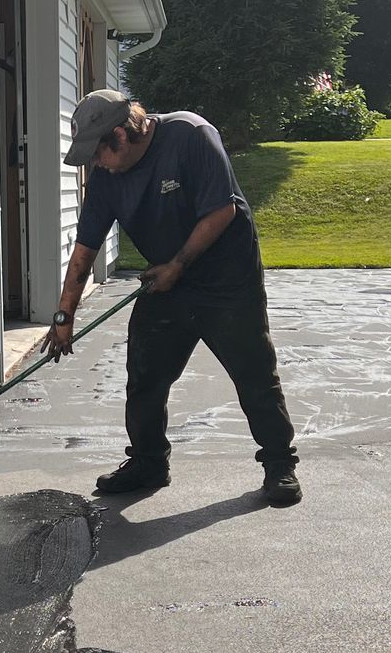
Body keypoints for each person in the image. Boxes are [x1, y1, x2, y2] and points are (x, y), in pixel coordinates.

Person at [42, 89, 300, 507]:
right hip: (166, 282)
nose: (95, 164)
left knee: (253, 374)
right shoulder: (108, 178)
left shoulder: (191, 135)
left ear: (121, 137)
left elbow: (222, 211)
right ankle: (148, 463)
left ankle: (279, 464)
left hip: (227, 282)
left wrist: (177, 265)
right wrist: (63, 316)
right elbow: (85, 250)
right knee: (144, 376)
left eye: (98, 153)